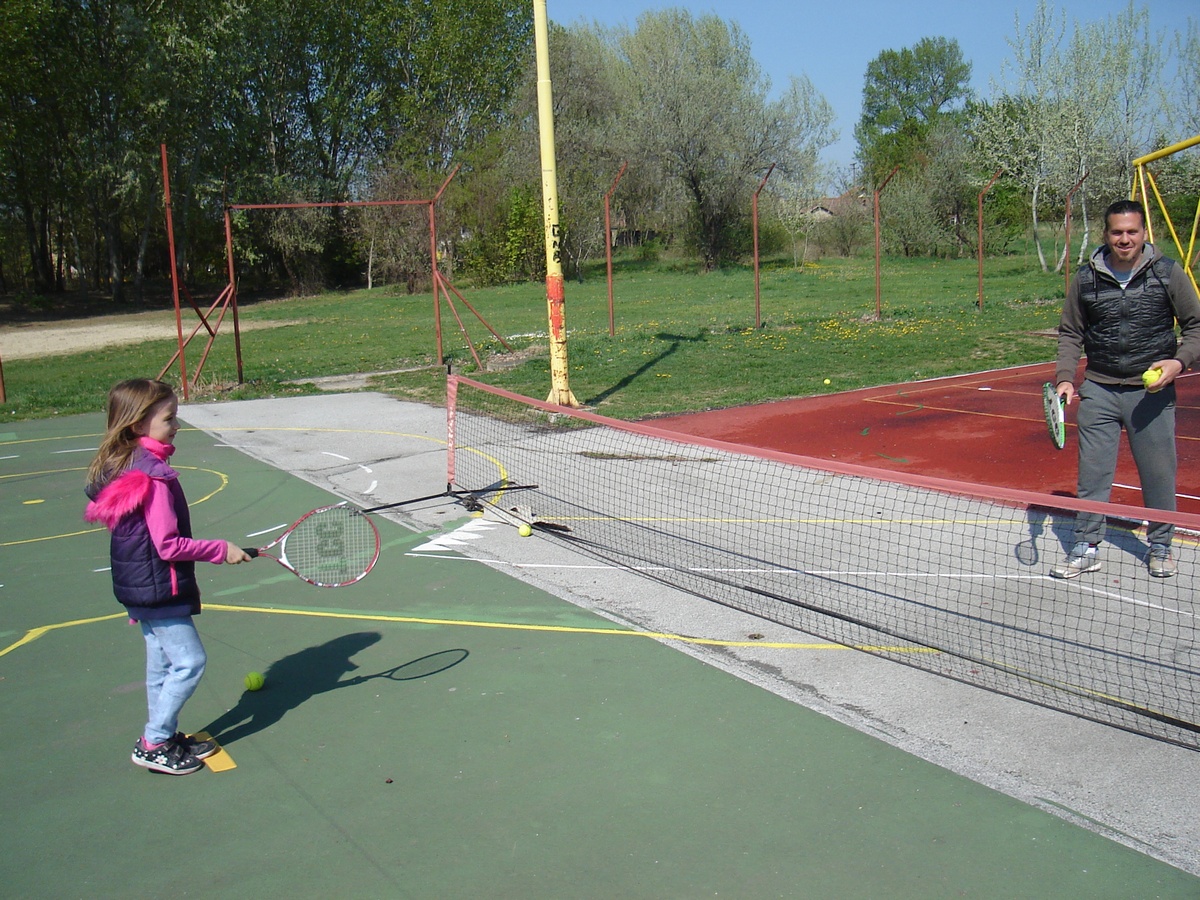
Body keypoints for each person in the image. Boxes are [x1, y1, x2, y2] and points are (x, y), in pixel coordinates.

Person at [85, 379, 251, 774]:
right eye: (169, 418)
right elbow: (168, 545)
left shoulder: (125, 464)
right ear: (138, 424)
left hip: (140, 586)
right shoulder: (153, 477)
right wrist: (220, 549)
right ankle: (154, 741)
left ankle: (162, 734)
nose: (176, 426)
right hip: (158, 586)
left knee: (160, 663)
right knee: (190, 662)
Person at [1051, 198, 1200, 579]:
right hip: (1099, 389)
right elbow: (1071, 332)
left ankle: (1161, 545)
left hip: (1150, 394)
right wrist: (1066, 378)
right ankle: (1086, 547)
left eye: (1132, 231)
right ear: (1106, 234)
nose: (1124, 239)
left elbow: (1196, 327)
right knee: (1093, 477)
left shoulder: (1167, 273)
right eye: (1117, 232)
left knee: (1158, 475)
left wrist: (1178, 362)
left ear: (1144, 233)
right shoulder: (1086, 278)